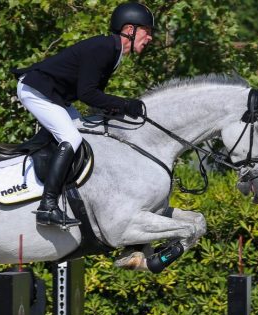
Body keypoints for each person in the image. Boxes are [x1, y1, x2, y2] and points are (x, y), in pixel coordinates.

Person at [12, 2, 154, 227]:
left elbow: (93, 94)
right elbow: (87, 94)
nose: (150, 38)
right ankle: (47, 206)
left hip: (55, 96)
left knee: (83, 133)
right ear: (130, 30)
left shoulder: (113, 52)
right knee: (71, 138)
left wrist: (116, 110)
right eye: (147, 31)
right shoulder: (104, 48)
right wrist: (124, 105)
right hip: (36, 90)